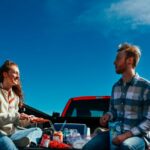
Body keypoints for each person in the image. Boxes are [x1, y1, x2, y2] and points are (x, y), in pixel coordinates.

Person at [82, 43, 150, 150]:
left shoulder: (146, 87)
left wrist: (125, 136)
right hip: (115, 134)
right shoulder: (115, 87)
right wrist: (108, 116)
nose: (114, 62)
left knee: (126, 146)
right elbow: (113, 111)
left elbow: (148, 120)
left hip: (138, 137)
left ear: (130, 60)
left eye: (118, 58)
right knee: (89, 147)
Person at [0, 60, 45, 150]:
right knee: (8, 145)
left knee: (37, 130)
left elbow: (16, 122)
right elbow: (13, 117)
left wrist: (28, 120)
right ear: (5, 74)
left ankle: (30, 146)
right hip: (1, 135)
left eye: (18, 73)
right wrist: (17, 116)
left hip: (12, 134)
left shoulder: (15, 97)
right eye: (15, 73)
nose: (18, 76)